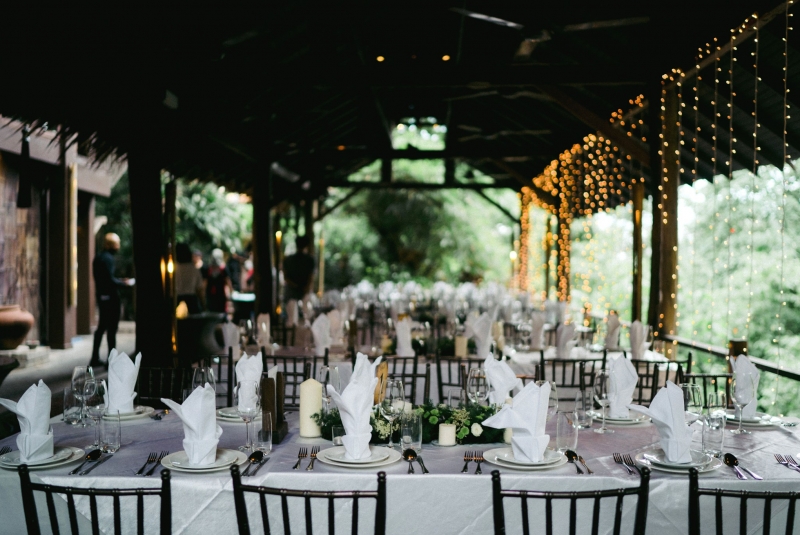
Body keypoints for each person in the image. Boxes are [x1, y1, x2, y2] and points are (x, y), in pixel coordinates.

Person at [90, 233, 134, 367]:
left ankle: (94, 358)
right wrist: (125, 284)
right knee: (111, 330)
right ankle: (111, 360)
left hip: (102, 297)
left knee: (101, 328)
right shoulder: (108, 259)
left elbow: (104, 279)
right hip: (111, 298)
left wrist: (119, 281)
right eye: (116, 243)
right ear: (109, 244)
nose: (118, 246)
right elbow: (109, 280)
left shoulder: (98, 258)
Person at [283, 235, 315, 303]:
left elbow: (286, 277)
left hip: (291, 293)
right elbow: (311, 277)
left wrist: (295, 286)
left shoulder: (288, 260)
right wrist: (305, 289)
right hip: (302, 293)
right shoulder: (309, 260)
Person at [175, 243, 204, 314]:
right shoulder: (194, 269)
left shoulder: (173, 268)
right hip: (191, 299)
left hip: (175, 299)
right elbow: (199, 289)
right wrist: (203, 304)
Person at [205, 248, 232, 313]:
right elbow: (228, 281)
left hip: (216, 295)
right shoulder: (221, 268)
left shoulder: (210, 269)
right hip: (216, 295)